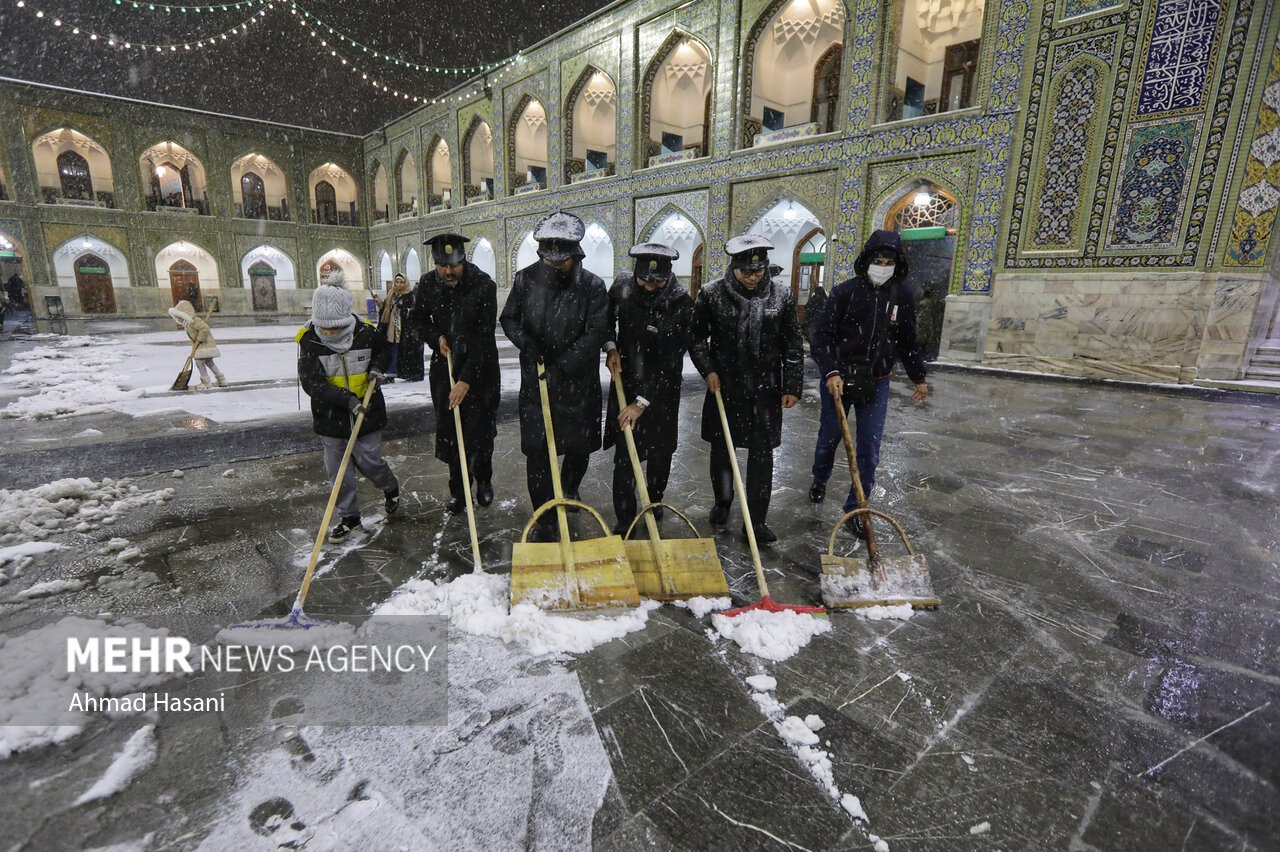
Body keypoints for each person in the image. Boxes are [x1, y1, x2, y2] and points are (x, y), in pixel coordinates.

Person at [499, 211, 610, 542]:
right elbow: (509, 319)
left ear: (576, 255)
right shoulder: (524, 280)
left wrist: (567, 363)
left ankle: (570, 490)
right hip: (538, 380)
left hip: (578, 382)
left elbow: (597, 330)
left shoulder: (592, 285)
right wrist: (527, 344)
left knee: (578, 446)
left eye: (561, 261)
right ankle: (545, 509)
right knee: (539, 450)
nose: (555, 266)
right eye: (549, 260)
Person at [808, 229, 928, 531]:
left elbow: (907, 340)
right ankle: (819, 477)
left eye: (889, 262)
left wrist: (918, 377)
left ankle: (857, 507)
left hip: (877, 379)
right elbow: (821, 336)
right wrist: (831, 371)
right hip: (840, 379)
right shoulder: (845, 292)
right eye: (879, 260)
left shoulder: (900, 296)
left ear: (897, 265)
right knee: (830, 439)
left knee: (868, 447)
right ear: (867, 261)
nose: (883, 266)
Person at [689, 234, 803, 543]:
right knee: (723, 448)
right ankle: (722, 502)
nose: (753, 277)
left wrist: (791, 384)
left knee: (762, 455)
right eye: (746, 271)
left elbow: (792, 343)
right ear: (734, 267)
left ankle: (757, 519)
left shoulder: (781, 296)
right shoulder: (711, 294)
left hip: (765, 390)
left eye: (759, 270)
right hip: (724, 387)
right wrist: (709, 369)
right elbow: (696, 338)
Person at [297, 284, 401, 542]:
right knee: (339, 471)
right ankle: (349, 517)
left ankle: (390, 486)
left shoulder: (366, 333)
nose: (329, 333)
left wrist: (377, 367)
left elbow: (384, 351)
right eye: (324, 327)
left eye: (336, 328)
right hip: (330, 417)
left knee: (370, 462)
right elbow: (312, 382)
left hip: (367, 412)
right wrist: (345, 399)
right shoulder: (309, 340)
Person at [603, 242, 692, 535]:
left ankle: (654, 502)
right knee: (625, 455)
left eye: (658, 283)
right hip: (626, 379)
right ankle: (624, 516)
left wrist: (641, 403)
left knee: (660, 452)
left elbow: (670, 362)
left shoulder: (680, 302)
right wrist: (611, 346)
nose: (650, 288)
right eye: (645, 281)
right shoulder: (622, 287)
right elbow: (604, 320)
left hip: (662, 389)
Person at [412, 232, 501, 512]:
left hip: (481, 370)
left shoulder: (483, 285)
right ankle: (459, 492)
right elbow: (417, 319)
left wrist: (466, 379)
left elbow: (484, 337)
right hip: (444, 367)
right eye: (442, 266)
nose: (448, 271)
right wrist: (436, 338)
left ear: (463, 259)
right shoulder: (427, 284)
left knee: (480, 432)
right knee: (452, 433)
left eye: (453, 265)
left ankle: (483, 480)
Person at [167, 299, 226, 389]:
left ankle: (206, 382)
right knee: (209, 363)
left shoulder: (194, 321)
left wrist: (199, 339)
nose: (178, 318)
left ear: (185, 313)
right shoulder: (187, 323)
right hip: (202, 345)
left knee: (199, 362)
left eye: (179, 315)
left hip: (205, 344)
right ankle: (221, 380)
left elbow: (205, 328)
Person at [374, 273, 414, 382]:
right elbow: (385, 308)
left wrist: (403, 308)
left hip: (403, 329)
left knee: (401, 351)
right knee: (391, 351)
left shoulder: (410, 295)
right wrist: (378, 301)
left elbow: (412, 311)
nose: (399, 284)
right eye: (397, 282)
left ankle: (405, 373)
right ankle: (391, 375)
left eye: (401, 282)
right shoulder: (392, 293)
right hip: (391, 328)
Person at [805, 282, 828, 348]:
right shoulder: (825, 299)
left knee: (812, 334)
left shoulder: (813, 299)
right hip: (821, 321)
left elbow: (807, 307)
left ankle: (813, 345)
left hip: (812, 320)